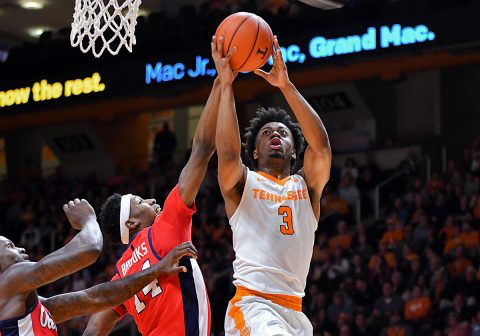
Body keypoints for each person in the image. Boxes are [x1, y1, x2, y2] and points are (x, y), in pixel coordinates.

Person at [83, 75, 223, 336]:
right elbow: (202, 149)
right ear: (131, 223)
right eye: (139, 202)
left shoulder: (122, 275)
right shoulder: (165, 226)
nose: (150, 201)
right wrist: (220, 85)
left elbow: (95, 326)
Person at [212, 34, 332, 335]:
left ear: (294, 151)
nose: (275, 135)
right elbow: (227, 153)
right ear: (254, 151)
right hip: (253, 305)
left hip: (294, 312)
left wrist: (286, 86)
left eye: (282, 133)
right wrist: (226, 85)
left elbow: (322, 149)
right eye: (266, 133)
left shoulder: (307, 187)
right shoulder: (242, 184)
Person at [0, 198, 197, 335]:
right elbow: (89, 249)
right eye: (10, 246)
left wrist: (156, 270)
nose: (21, 248)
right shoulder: (12, 279)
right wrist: (88, 220)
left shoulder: (36, 306)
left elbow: (97, 298)